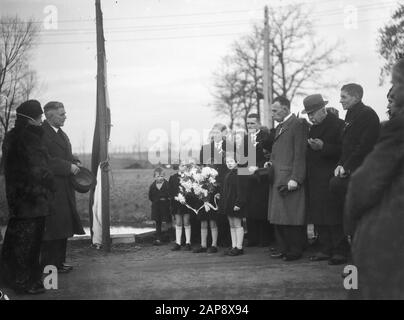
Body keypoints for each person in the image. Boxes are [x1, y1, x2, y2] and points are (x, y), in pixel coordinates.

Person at [345, 83, 404, 299]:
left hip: (386, 225)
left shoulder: (395, 130)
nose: (389, 104)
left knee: (357, 275)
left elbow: (363, 184)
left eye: (392, 99)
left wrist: (352, 215)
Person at [0, 100, 55, 294]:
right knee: (29, 244)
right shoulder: (30, 139)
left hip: (18, 200)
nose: (41, 121)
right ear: (30, 119)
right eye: (39, 117)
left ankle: (10, 279)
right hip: (33, 200)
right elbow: (39, 170)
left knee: (15, 241)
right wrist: (52, 184)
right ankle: (25, 283)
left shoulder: (11, 137)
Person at [329, 83, 380, 264]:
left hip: (361, 173)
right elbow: (347, 146)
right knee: (342, 211)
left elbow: (364, 147)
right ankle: (344, 250)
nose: (340, 100)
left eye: (344, 97)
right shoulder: (351, 114)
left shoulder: (368, 115)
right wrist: (340, 164)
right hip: (348, 171)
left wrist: (347, 167)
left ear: (356, 97)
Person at [40, 101, 85, 273]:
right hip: (51, 190)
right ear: (49, 116)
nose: (65, 116)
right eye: (61, 114)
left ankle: (59, 263)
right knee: (52, 230)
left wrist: (74, 161)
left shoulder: (61, 133)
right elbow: (45, 161)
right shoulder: (42, 134)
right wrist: (67, 167)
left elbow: (63, 155)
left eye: (64, 113)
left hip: (64, 188)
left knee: (63, 227)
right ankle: (49, 267)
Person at [302, 94, 345, 263]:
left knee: (334, 216)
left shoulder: (338, 125)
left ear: (323, 110)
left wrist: (323, 147)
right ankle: (326, 249)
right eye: (308, 114)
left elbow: (344, 150)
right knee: (319, 216)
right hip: (315, 178)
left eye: (313, 113)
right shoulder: (313, 128)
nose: (311, 117)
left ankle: (340, 250)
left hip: (331, 178)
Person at [267, 96, 309, 261]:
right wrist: (270, 162)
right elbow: (279, 152)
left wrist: (296, 178)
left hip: (289, 177)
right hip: (278, 176)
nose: (272, 114)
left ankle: (295, 249)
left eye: (275, 110)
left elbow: (300, 154)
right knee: (281, 216)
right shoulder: (281, 127)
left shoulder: (297, 125)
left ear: (285, 108)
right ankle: (284, 248)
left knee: (292, 216)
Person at [244, 114, 275, 247]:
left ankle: (265, 238)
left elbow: (269, 155)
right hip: (248, 175)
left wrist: (258, 166)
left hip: (261, 176)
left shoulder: (265, 136)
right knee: (250, 208)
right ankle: (252, 237)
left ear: (258, 124)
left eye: (252, 123)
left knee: (262, 207)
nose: (249, 126)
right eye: (248, 123)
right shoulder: (245, 139)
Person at [199, 123, 231, 248]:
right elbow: (202, 166)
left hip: (226, 183)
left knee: (224, 210)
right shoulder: (206, 148)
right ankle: (210, 242)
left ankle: (226, 241)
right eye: (213, 132)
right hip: (210, 184)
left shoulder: (230, 146)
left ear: (223, 133)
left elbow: (234, 164)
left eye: (218, 132)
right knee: (212, 212)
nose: (215, 135)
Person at [221, 153, 248, 256]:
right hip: (228, 203)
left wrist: (239, 203)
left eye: (231, 161)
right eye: (227, 162)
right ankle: (234, 246)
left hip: (236, 203)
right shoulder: (228, 174)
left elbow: (242, 190)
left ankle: (239, 247)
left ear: (237, 161)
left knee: (237, 225)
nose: (229, 164)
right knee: (232, 225)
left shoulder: (240, 173)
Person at [168, 160, 193, 251]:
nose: (184, 167)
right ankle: (178, 243)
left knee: (186, 221)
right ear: (178, 167)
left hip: (187, 203)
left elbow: (192, 192)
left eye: (185, 166)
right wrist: (176, 198)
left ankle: (188, 242)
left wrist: (185, 199)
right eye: (182, 165)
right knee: (178, 222)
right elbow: (170, 191)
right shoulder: (173, 178)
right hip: (176, 203)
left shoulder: (190, 177)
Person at [148, 167, 171, 245]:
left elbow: (170, 195)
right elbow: (150, 196)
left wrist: (166, 200)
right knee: (158, 222)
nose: (160, 178)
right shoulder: (152, 186)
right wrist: (155, 201)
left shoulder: (167, 185)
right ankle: (158, 238)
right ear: (154, 177)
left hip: (166, 206)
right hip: (156, 206)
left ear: (164, 176)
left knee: (168, 221)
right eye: (158, 176)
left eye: (161, 176)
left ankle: (170, 237)